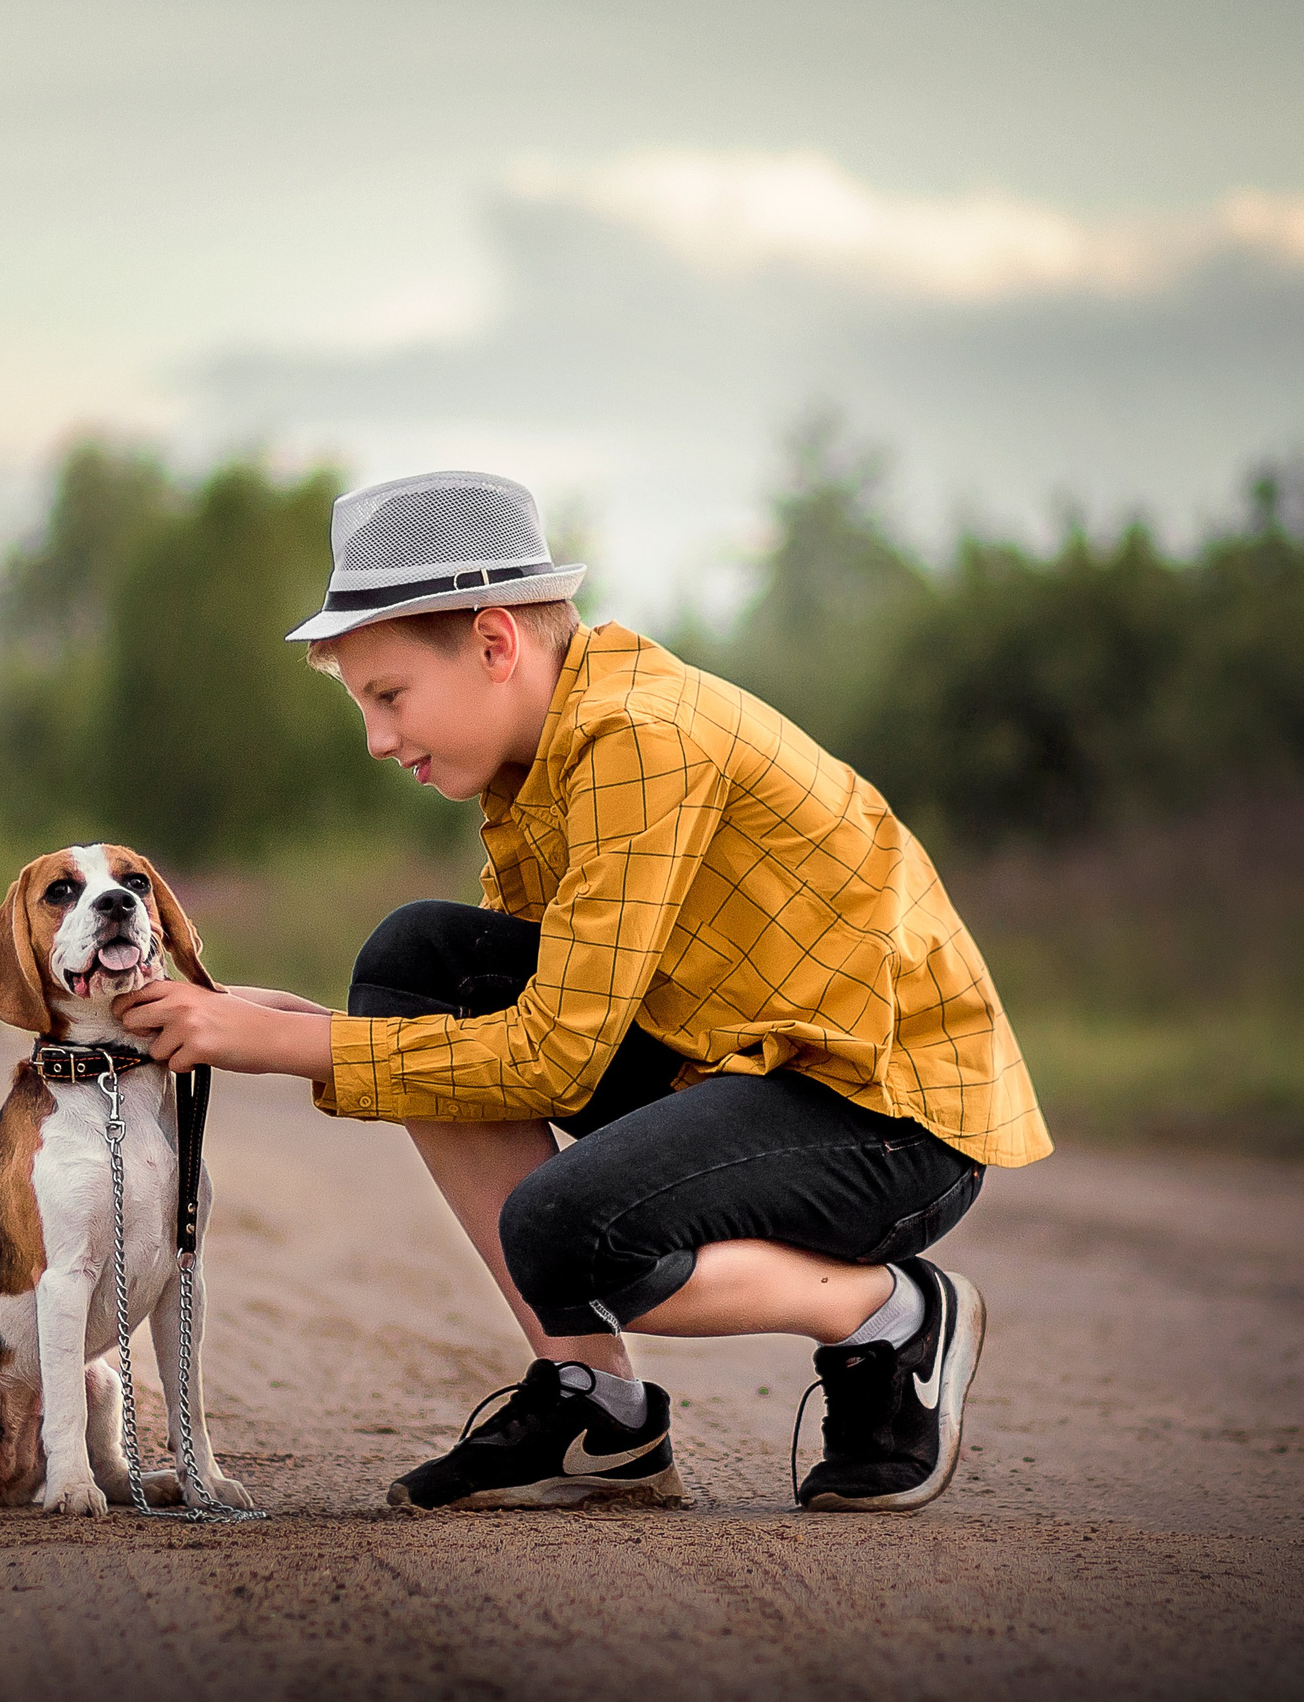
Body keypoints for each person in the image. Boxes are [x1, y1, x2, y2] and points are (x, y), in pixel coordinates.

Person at [118, 469, 1051, 1513]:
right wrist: (257, 1016)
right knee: (417, 963)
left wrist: (283, 1047)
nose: (378, 740)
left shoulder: (635, 739)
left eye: (388, 698)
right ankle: (594, 1409)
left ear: (492, 644)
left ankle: (889, 1317)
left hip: (884, 1121)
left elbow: (552, 1056)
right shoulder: (540, 761)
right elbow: (506, 1021)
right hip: (739, 1067)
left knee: (564, 1234)